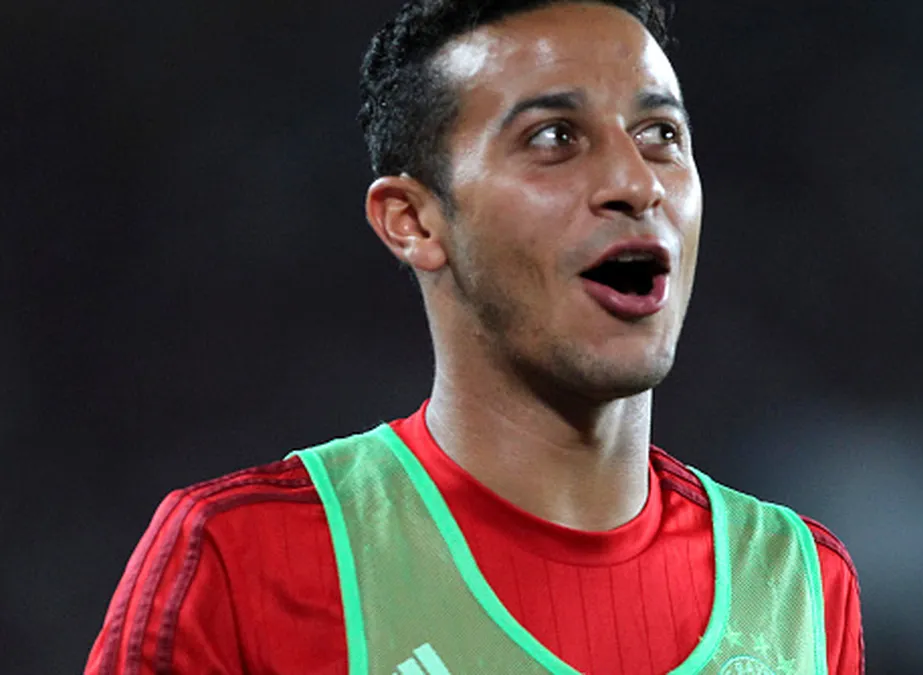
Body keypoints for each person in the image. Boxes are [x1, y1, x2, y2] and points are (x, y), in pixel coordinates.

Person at [86, 1, 864, 673]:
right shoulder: (243, 560)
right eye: (555, 138)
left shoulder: (800, 584)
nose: (636, 183)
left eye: (659, 133)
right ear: (415, 221)